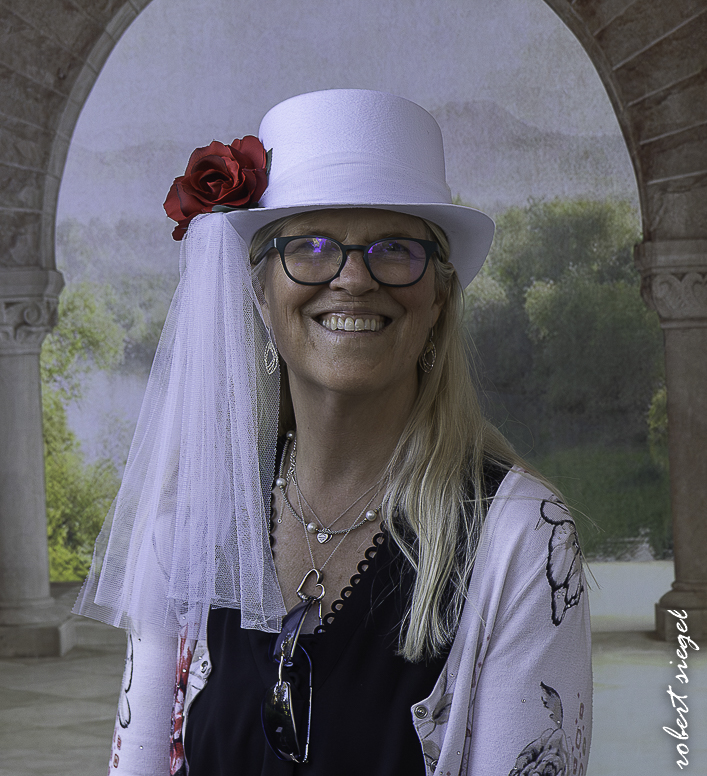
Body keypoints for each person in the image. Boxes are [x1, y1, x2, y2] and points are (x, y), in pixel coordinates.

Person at [75, 89, 591, 776]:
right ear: (261, 294)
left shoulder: (522, 537)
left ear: (438, 298)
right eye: (311, 247)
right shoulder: (190, 521)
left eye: (394, 249)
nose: (353, 279)